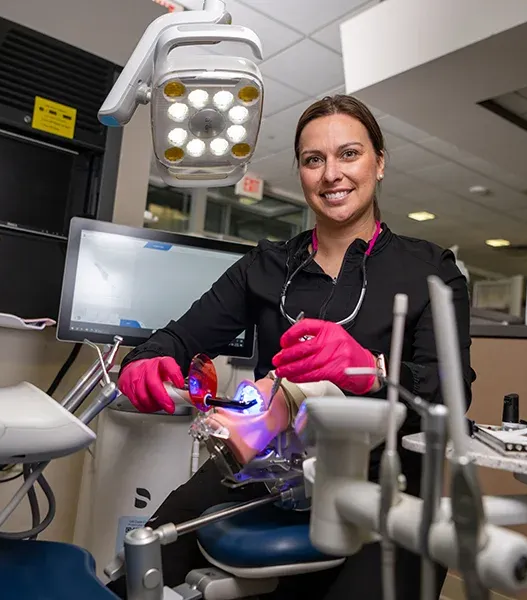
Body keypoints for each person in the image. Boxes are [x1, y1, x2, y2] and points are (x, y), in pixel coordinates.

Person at [109, 94, 476, 600]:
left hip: (386, 492)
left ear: (380, 162)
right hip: (268, 477)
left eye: (349, 154)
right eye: (313, 160)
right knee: (139, 567)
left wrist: (371, 369)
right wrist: (145, 360)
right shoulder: (264, 267)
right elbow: (179, 338)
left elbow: (449, 396)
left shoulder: (430, 271)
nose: (332, 174)